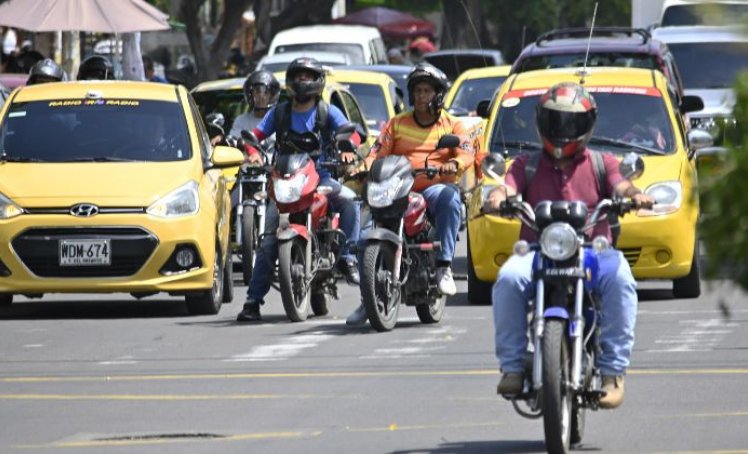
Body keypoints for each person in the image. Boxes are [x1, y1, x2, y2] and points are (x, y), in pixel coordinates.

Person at [484, 82, 654, 409]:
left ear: (586, 125)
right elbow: (507, 187)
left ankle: (612, 374)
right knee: (507, 279)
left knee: (621, 281)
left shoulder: (603, 163)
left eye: (571, 123)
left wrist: (635, 197)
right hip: (537, 251)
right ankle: (512, 366)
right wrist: (497, 196)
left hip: (593, 250)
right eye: (555, 121)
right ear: (541, 121)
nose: (562, 130)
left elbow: (621, 186)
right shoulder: (526, 164)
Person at [345, 62, 474, 326]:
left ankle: (443, 267)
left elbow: (466, 151)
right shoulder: (397, 123)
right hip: (398, 188)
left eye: (427, 90)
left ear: (437, 94)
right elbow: (378, 152)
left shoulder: (452, 124)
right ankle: (366, 298)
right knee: (365, 233)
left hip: (434, 187)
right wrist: (361, 167)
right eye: (417, 91)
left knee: (450, 198)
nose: (421, 96)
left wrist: (454, 164)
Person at [236, 57, 362, 322]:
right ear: (291, 82)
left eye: (308, 76)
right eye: (299, 76)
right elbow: (254, 137)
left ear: (317, 81)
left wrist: (348, 148)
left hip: (322, 180)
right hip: (284, 182)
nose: (303, 81)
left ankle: (347, 257)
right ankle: (252, 302)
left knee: (351, 202)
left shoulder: (326, 111)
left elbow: (351, 134)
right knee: (270, 238)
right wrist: (253, 153)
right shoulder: (279, 112)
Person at [230, 69, 280, 138]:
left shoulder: (279, 121)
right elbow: (233, 140)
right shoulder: (241, 121)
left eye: (266, 92)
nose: (261, 96)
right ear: (251, 94)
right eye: (257, 91)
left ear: (271, 95)